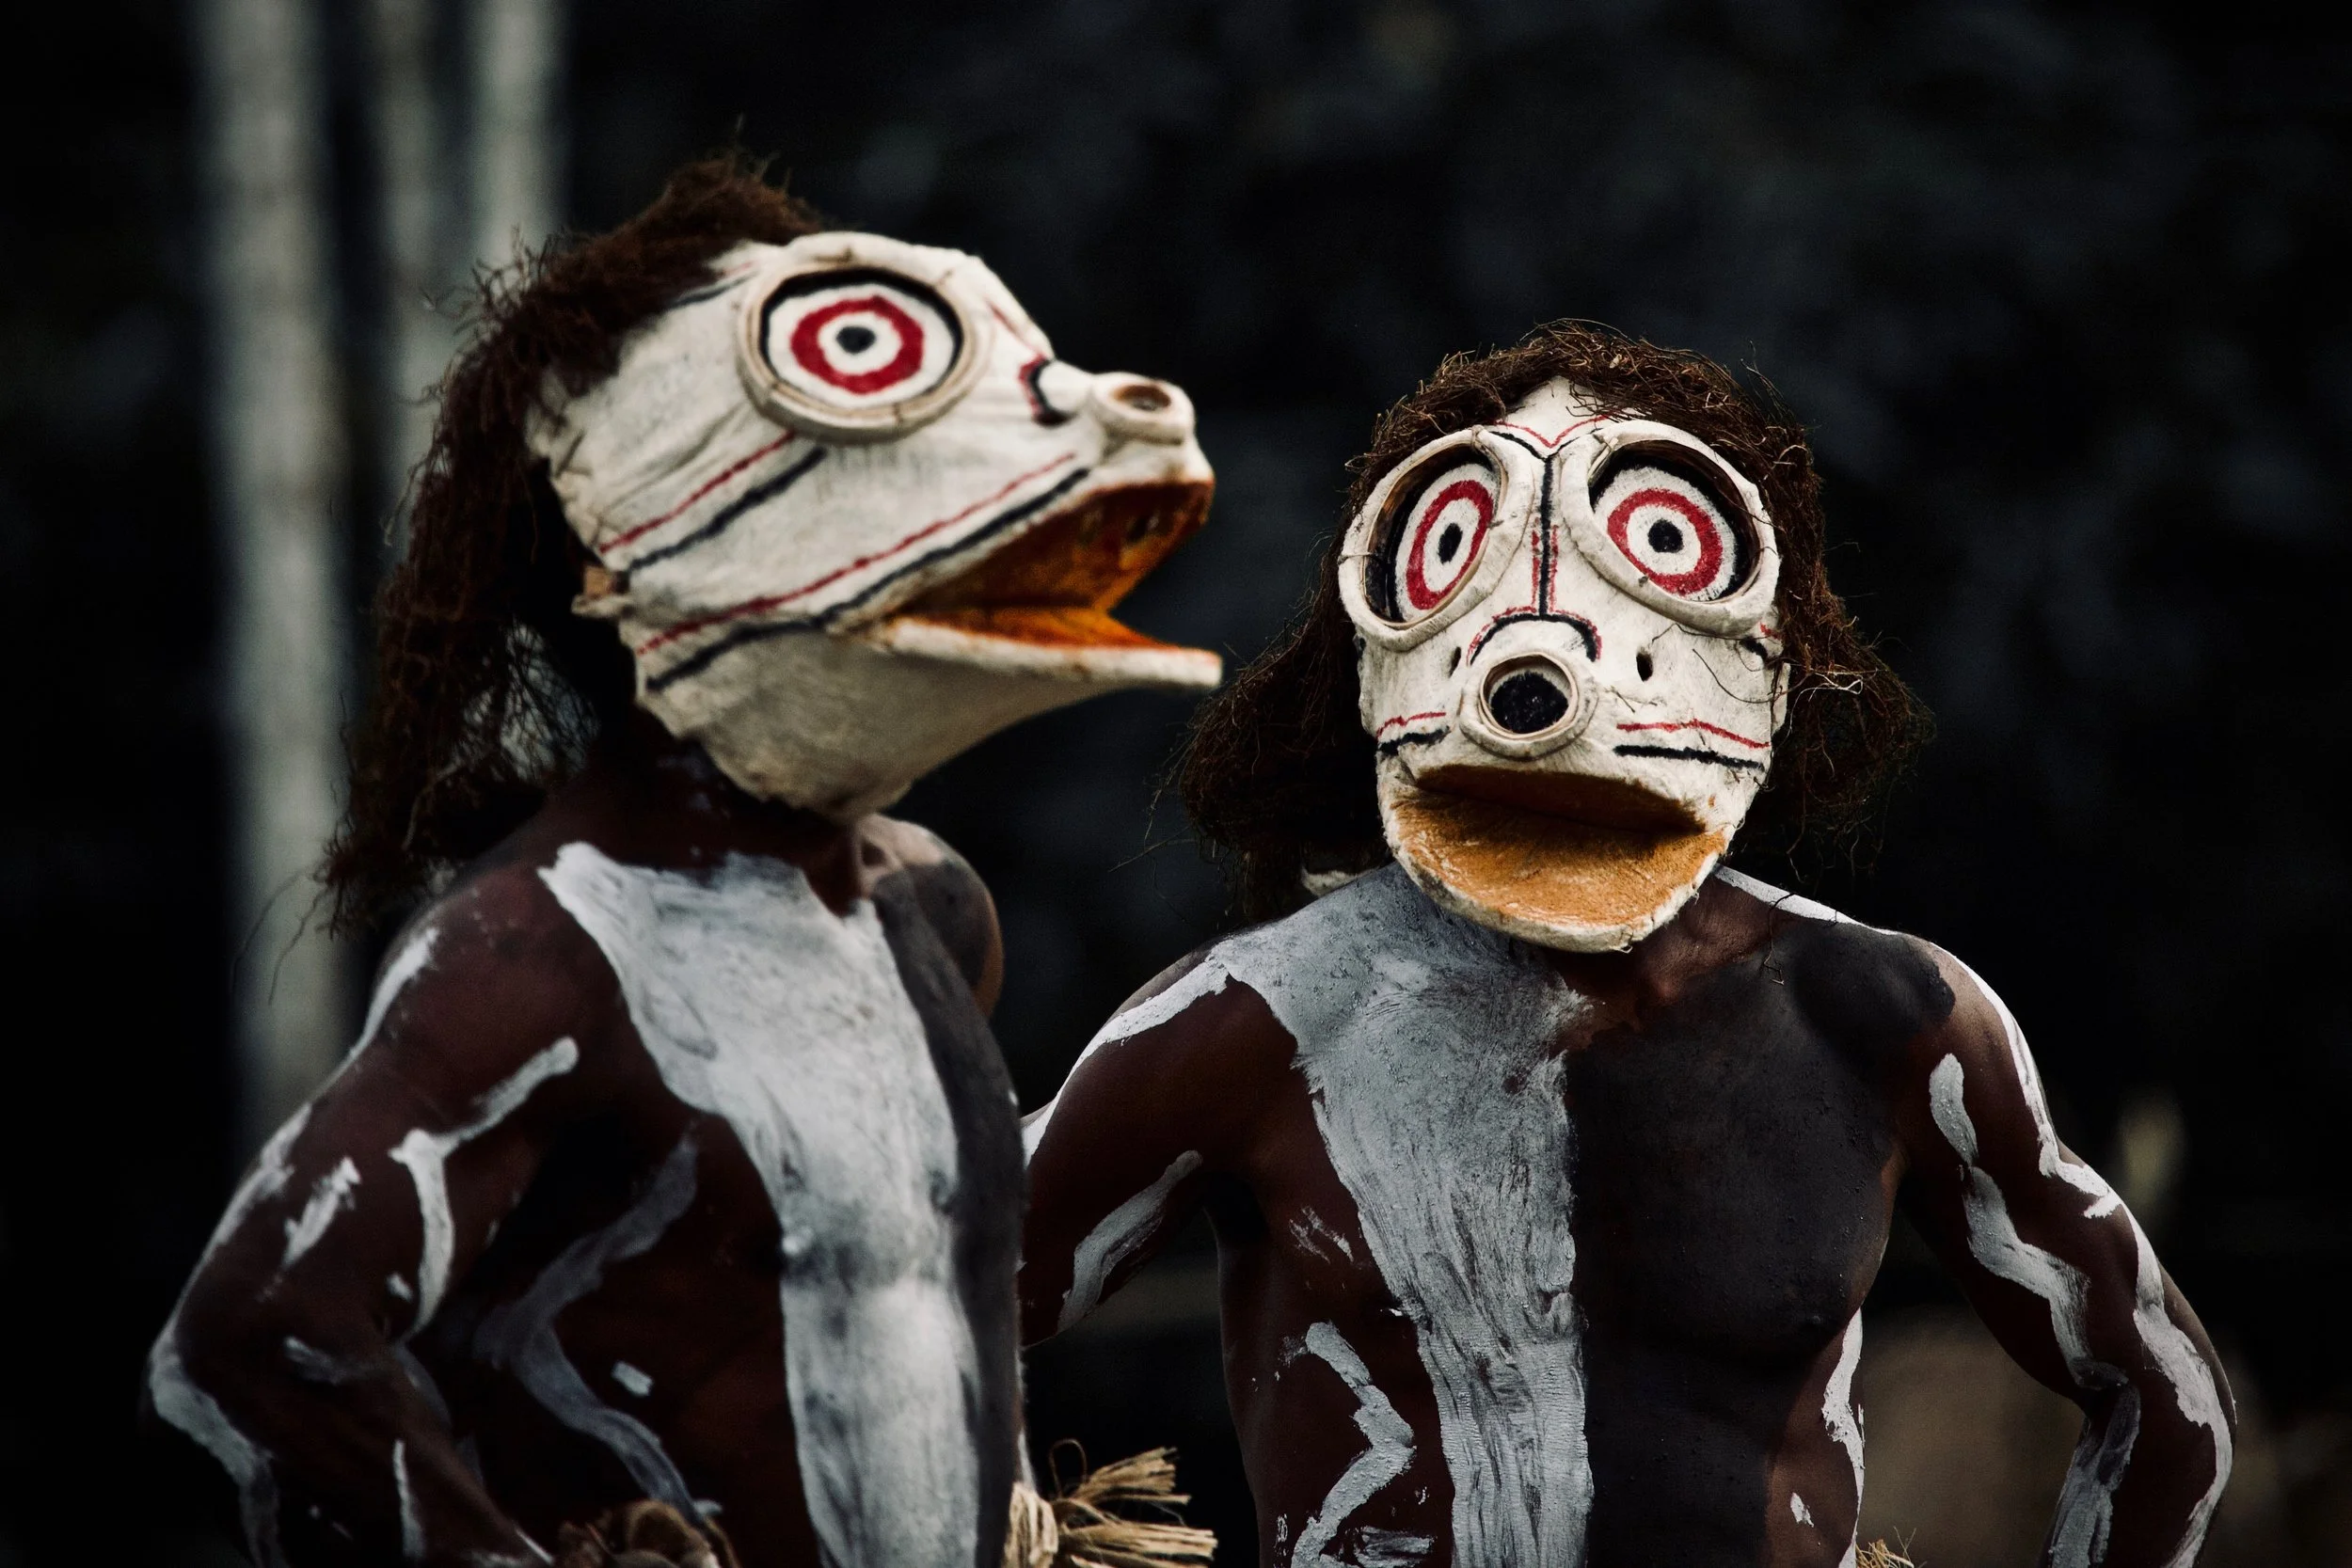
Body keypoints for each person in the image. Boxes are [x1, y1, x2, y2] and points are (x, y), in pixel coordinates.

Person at [148, 157, 1222, 1568]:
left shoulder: (928, 914)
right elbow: (259, 1327)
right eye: (857, 358)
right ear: (621, 548)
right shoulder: (542, 951)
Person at [1018, 325, 2235, 1568]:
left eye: (1656, 544)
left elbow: (2164, 1396)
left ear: (1775, 661)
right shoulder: (1260, 1021)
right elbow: (912, 1288)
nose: (1547, 667)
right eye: (1464, 552)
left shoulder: (1883, 1017)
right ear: (1381, 657)